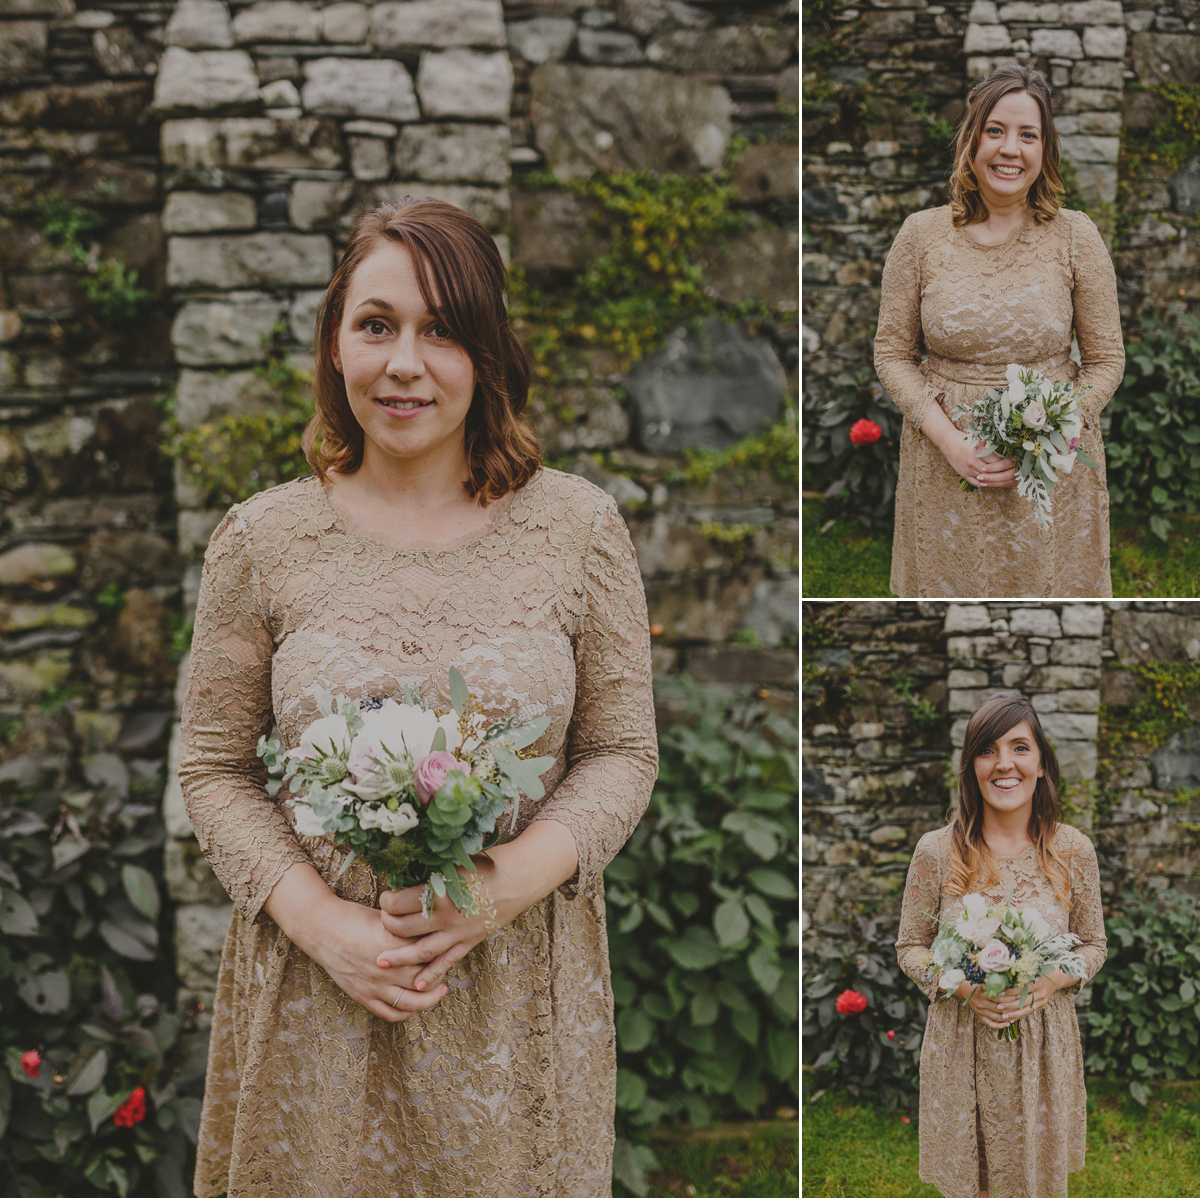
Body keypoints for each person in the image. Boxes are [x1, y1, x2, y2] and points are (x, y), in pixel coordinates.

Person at [178, 197, 658, 1197]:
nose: (405, 362)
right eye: (378, 325)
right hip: (319, 1003)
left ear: (487, 351)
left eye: (442, 330)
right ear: (335, 344)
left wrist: (502, 884)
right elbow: (213, 766)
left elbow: (623, 753)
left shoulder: (577, 527)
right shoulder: (262, 540)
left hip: (515, 1004)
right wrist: (324, 926)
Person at [874, 64, 1125, 598]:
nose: (1010, 149)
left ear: (1044, 149)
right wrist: (951, 442)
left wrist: (1045, 437)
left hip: (1050, 468)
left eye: (1027, 135)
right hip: (945, 462)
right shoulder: (920, 236)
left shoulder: (1076, 236)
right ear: (972, 140)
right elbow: (892, 353)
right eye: (996, 131)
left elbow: (1106, 361)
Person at [895, 691, 1107, 1198]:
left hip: (1042, 1050)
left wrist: (1052, 981)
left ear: (1040, 764)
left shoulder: (1073, 849)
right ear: (971, 767)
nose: (1004, 764)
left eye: (1019, 748)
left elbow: (1095, 943)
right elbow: (910, 947)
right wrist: (965, 989)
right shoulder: (937, 851)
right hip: (960, 1046)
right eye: (988, 750)